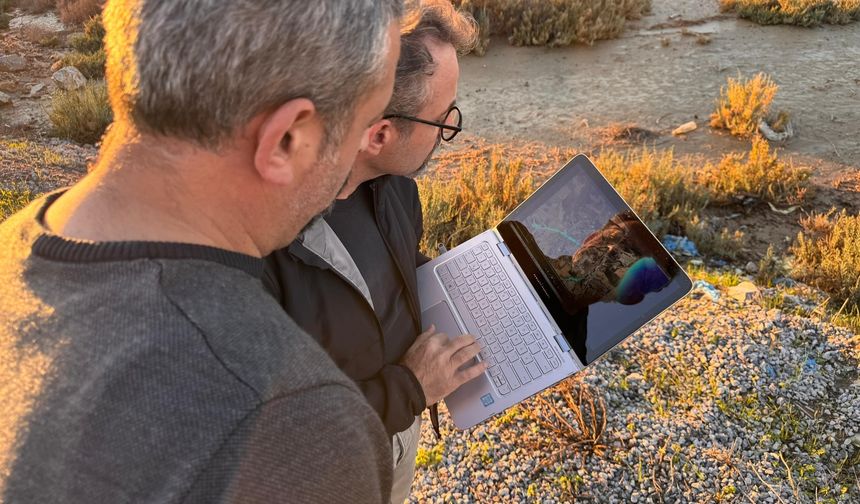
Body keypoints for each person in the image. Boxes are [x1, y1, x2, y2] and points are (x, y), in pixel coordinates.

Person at [0, 0, 403, 502]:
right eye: (366, 125)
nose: (365, 150)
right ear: (286, 141)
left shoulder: (18, 238)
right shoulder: (297, 426)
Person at [263, 1, 477, 501]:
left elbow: (391, 266)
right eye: (443, 120)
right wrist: (410, 388)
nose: (448, 134)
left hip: (393, 438)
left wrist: (471, 278)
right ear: (380, 134)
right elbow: (276, 432)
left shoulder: (394, 185)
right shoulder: (262, 242)